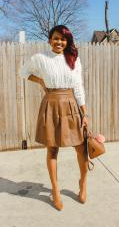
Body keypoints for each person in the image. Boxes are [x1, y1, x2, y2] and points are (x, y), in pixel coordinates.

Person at [19, 25, 89, 211]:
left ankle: (83, 183)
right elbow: (23, 72)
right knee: (52, 150)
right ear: (49, 40)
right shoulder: (40, 58)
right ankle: (56, 191)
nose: (59, 42)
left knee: (82, 148)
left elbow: (79, 87)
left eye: (63, 39)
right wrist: (40, 80)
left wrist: (84, 113)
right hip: (50, 104)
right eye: (56, 38)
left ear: (67, 42)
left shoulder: (73, 59)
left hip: (71, 104)